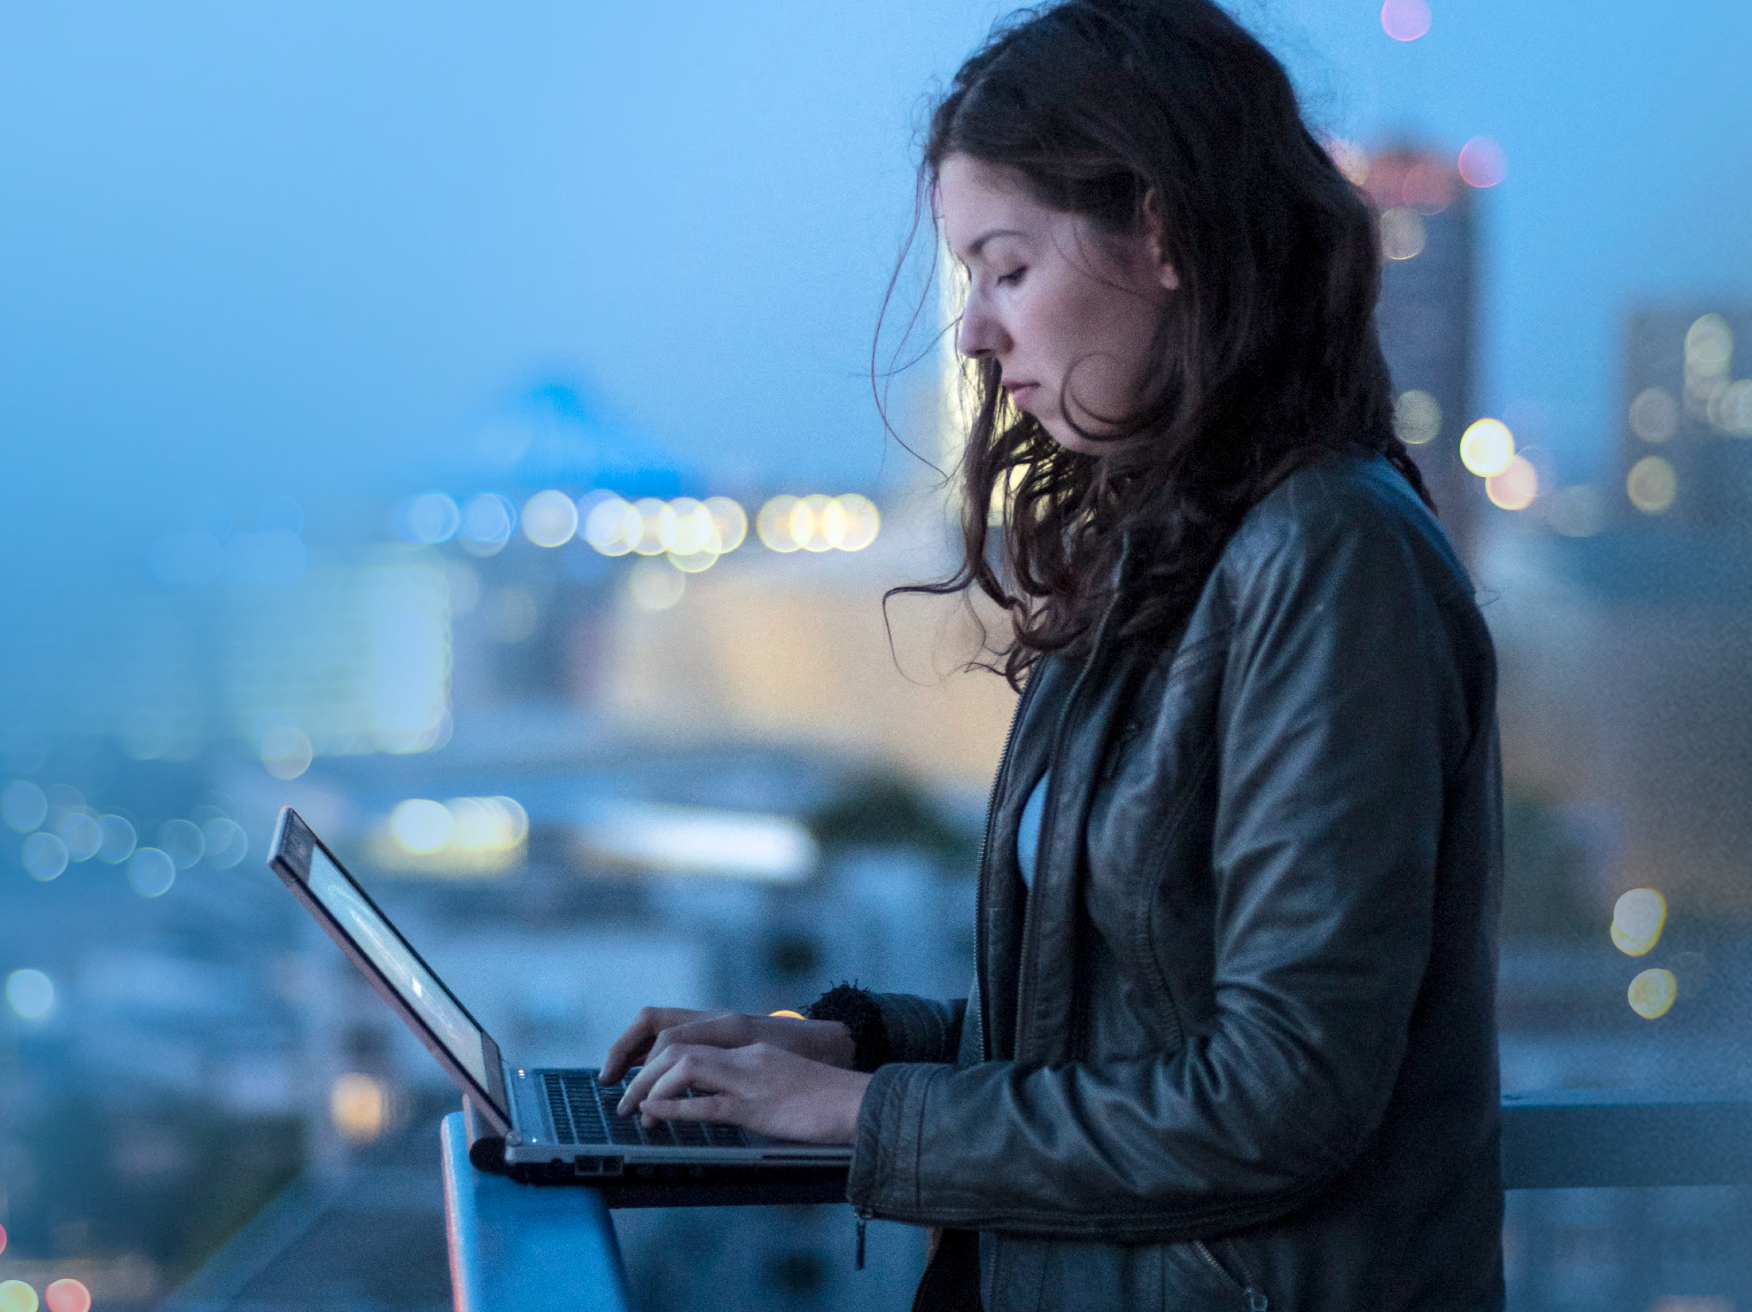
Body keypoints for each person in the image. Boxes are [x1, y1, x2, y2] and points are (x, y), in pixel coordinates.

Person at [594, 1, 1505, 1307]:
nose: (973, 332)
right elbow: (1122, 1030)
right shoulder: (1170, 552)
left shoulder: (1329, 557)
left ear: (1164, 235)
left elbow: (1281, 1097)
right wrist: (842, 1050)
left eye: (1006, 269)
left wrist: (863, 1118)